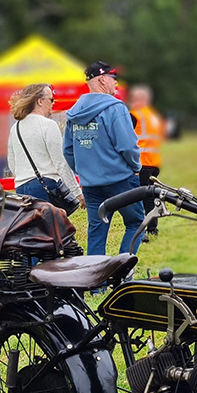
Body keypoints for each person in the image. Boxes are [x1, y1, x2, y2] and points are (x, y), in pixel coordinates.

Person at [64, 61, 144, 257]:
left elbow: (68, 150)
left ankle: (96, 284)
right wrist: (136, 167)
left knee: (97, 232)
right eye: (113, 79)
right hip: (120, 181)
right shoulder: (115, 108)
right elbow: (127, 145)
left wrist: (83, 171)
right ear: (102, 79)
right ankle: (122, 272)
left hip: (91, 185)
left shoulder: (74, 112)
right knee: (137, 223)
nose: (116, 84)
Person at [7, 83, 83, 209]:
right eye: (51, 99)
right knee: (54, 227)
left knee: (32, 228)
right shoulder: (48, 125)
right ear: (40, 101)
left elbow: (12, 163)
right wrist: (77, 193)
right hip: (45, 186)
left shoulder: (16, 128)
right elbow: (61, 163)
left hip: (21, 189)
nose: (53, 103)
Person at [128, 85, 164, 238]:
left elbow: (126, 137)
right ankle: (152, 228)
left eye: (134, 98)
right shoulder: (154, 115)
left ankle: (143, 230)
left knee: (141, 199)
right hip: (154, 162)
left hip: (140, 162)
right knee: (151, 197)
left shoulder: (134, 114)